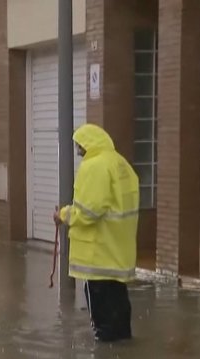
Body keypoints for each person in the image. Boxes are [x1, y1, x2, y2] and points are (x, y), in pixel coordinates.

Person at [55, 123, 140, 343]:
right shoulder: (120, 163)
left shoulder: (94, 166)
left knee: (102, 314)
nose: (78, 150)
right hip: (118, 248)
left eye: (79, 145)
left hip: (99, 251)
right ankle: (122, 350)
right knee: (119, 303)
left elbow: (88, 211)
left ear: (88, 144)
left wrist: (63, 215)